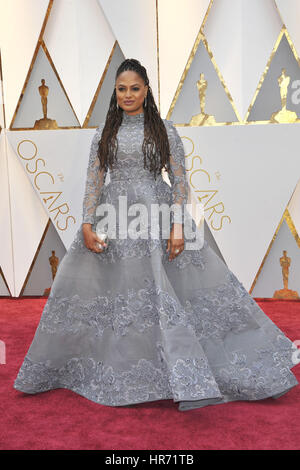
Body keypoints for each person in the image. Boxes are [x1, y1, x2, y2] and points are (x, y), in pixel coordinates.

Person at [14, 58, 299, 411]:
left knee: (173, 296)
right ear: (115, 92)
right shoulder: (103, 134)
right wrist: (87, 224)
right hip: (114, 221)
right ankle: (120, 372)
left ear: (146, 90)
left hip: (158, 218)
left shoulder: (164, 130)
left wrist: (178, 226)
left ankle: (192, 369)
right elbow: (93, 181)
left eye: (135, 88)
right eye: (122, 89)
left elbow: (180, 182)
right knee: (119, 300)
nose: (128, 94)